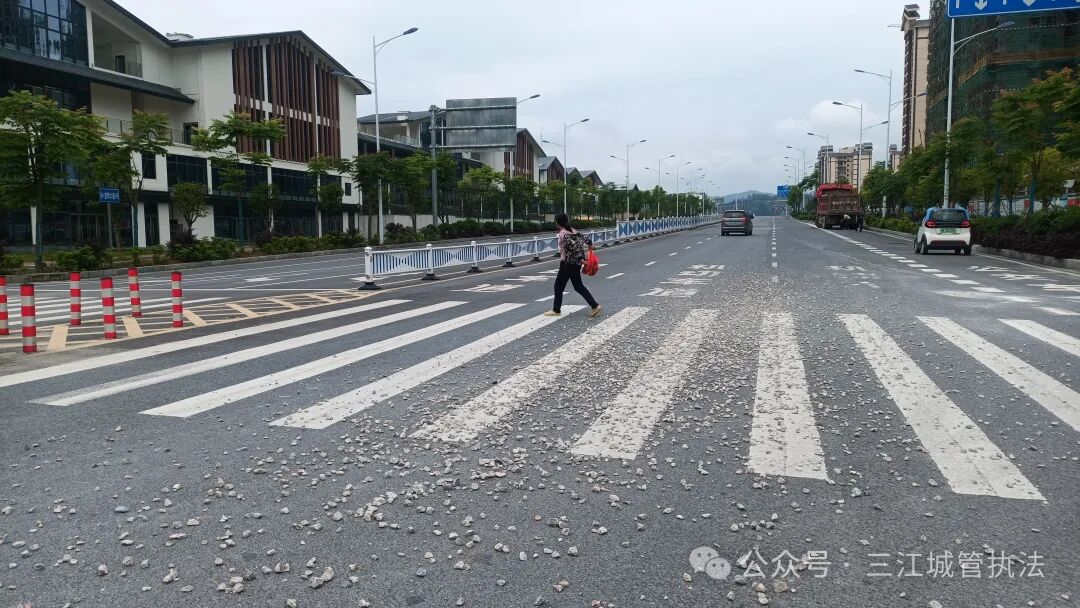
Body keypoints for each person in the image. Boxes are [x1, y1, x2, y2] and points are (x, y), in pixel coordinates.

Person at [545, 213, 602, 318]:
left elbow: (571, 249)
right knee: (578, 287)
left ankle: (556, 310)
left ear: (558, 223)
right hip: (576, 264)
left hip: (567, 264)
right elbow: (587, 241)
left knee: (558, 287)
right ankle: (595, 305)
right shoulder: (574, 231)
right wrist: (582, 258)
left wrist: (579, 259)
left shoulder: (563, 234)